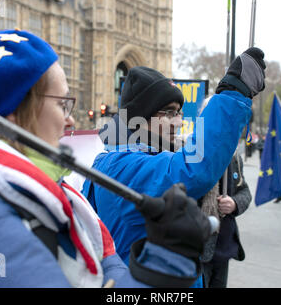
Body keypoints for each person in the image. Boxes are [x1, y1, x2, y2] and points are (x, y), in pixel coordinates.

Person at [0, 30, 211, 287]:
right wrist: (163, 264)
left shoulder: (49, 192)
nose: (71, 120)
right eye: (63, 104)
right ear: (12, 112)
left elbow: (107, 268)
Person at [83, 47, 266, 272]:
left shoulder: (127, 157)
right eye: (168, 113)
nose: (178, 122)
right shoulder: (123, 164)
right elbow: (192, 169)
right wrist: (234, 93)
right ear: (138, 119)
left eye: (178, 112)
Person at [194, 96, 251, 288]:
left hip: (224, 247)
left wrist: (234, 204)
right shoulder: (190, 153)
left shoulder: (234, 157)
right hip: (197, 247)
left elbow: (245, 192)